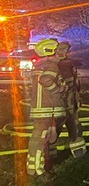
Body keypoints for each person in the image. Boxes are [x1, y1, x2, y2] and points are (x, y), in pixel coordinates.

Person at [27, 39, 68, 176]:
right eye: (59, 50)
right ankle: (38, 168)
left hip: (40, 107)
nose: (62, 53)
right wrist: (59, 89)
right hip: (47, 107)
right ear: (51, 51)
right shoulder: (51, 66)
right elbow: (45, 81)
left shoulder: (40, 65)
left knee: (43, 136)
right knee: (40, 137)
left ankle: (37, 165)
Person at [55, 42, 86, 157]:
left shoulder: (63, 64)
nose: (70, 53)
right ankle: (49, 154)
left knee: (73, 127)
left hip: (69, 103)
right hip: (64, 104)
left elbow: (74, 86)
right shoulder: (63, 65)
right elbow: (67, 84)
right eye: (68, 51)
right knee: (57, 128)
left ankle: (78, 152)